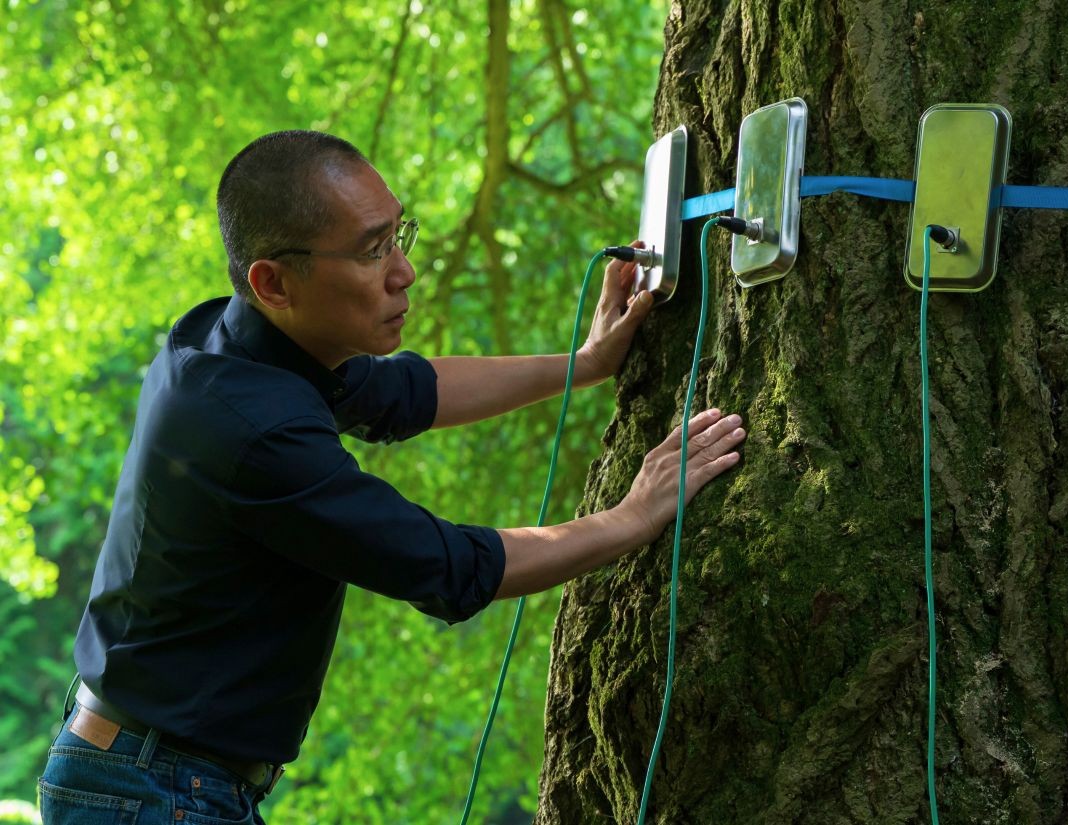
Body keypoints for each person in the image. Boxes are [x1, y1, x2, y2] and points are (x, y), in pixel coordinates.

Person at [37, 130, 745, 824]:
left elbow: (406, 393)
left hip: (151, 775)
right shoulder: (253, 431)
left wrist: (583, 364)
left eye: (399, 233)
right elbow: (444, 562)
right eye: (373, 250)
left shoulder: (237, 343)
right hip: (151, 791)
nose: (403, 270)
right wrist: (634, 515)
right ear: (273, 281)